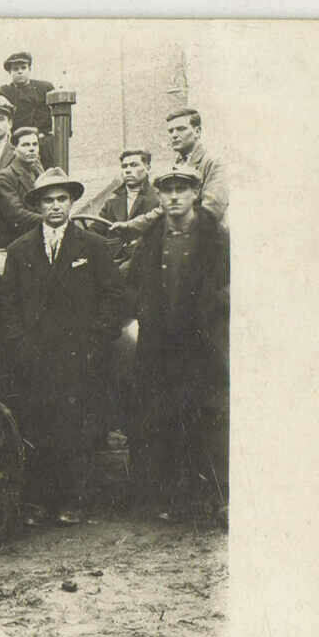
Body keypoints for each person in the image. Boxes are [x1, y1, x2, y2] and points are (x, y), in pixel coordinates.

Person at [0, 168, 123, 525]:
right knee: (37, 426)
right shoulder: (20, 250)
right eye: (48, 200)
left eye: (61, 199)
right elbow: (8, 305)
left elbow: (113, 297)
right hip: (35, 356)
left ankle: (74, 500)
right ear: (38, 205)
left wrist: (95, 341)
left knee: (77, 429)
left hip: (79, 355)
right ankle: (38, 503)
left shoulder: (93, 247)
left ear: (71, 203)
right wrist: (20, 346)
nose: (55, 207)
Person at [125, 165, 229, 521]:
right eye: (167, 191)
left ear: (195, 194)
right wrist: (142, 308)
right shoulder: (152, 237)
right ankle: (171, 498)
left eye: (181, 190)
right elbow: (134, 282)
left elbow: (230, 286)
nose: (173, 197)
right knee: (162, 418)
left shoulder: (216, 237)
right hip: (159, 345)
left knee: (204, 418)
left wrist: (213, 311)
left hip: (202, 344)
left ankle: (213, 498)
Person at [110, 107, 229, 235]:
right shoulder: (177, 165)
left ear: (197, 131)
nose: (174, 135)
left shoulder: (213, 162)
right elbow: (162, 210)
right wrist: (130, 226)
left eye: (181, 129)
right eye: (171, 131)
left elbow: (212, 209)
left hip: (208, 239)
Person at [94, 147, 162, 262]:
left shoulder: (158, 198)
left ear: (147, 168)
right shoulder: (112, 201)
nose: (128, 170)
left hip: (145, 261)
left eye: (134, 165)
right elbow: (95, 230)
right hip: (113, 261)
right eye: (124, 166)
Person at [0, 51, 56, 168]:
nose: (20, 71)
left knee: (49, 171)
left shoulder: (44, 87)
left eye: (23, 67)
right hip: (22, 142)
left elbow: (59, 106)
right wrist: (0, 97)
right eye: (15, 69)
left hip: (44, 141)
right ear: (10, 72)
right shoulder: (6, 91)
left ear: (29, 69)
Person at [0, 126, 45, 247]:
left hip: (37, 237)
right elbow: (16, 214)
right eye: (25, 145)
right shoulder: (5, 177)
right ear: (14, 149)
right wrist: (49, 219)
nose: (32, 149)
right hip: (13, 242)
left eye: (35, 144)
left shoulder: (39, 173)